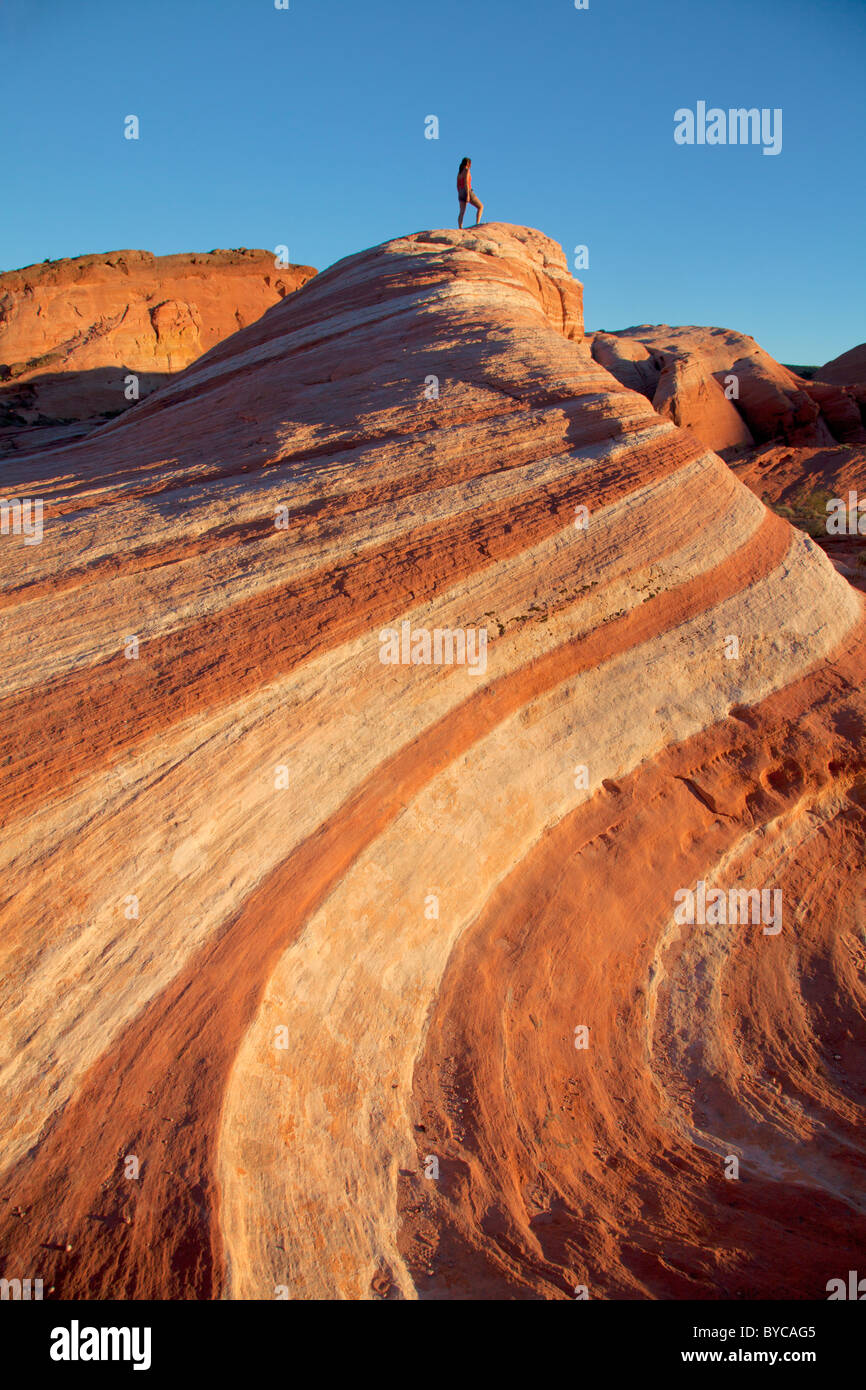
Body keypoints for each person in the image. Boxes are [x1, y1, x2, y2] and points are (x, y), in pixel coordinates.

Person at [457, 156, 484, 228]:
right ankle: (477, 224)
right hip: (467, 190)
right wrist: (468, 195)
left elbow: (457, 185)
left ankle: (460, 227)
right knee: (480, 207)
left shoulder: (459, 173)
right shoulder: (466, 170)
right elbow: (466, 183)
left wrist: (459, 193)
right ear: (468, 163)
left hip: (460, 192)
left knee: (462, 212)